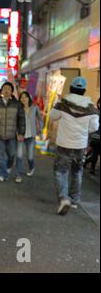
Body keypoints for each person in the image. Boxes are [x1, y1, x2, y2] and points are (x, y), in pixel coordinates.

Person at [50, 77, 99, 215]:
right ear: (83, 91)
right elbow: (94, 127)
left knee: (61, 171)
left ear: (71, 88)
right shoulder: (91, 108)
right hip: (80, 146)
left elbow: (53, 116)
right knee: (77, 172)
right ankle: (74, 199)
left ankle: (64, 198)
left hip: (64, 144)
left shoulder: (63, 104)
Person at [0, 82, 25, 182]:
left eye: (8, 89)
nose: (6, 91)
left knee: (11, 154)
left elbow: (22, 119)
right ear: (2, 91)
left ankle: (8, 166)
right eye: (4, 89)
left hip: (12, 134)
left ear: (12, 91)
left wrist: (21, 133)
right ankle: (2, 174)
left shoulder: (16, 104)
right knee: (0, 156)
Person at [15, 91, 43, 182]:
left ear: (29, 98)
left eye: (25, 97)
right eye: (22, 97)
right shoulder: (18, 109)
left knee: (30, 156)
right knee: (19, 155)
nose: (23, 99)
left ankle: (32, 167)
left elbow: (40, 118)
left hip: (31, 136)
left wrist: (40, 131)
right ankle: (18, 175)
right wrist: (16, 133)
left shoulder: (34, 108)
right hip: (20, 135)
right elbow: (15, 122)